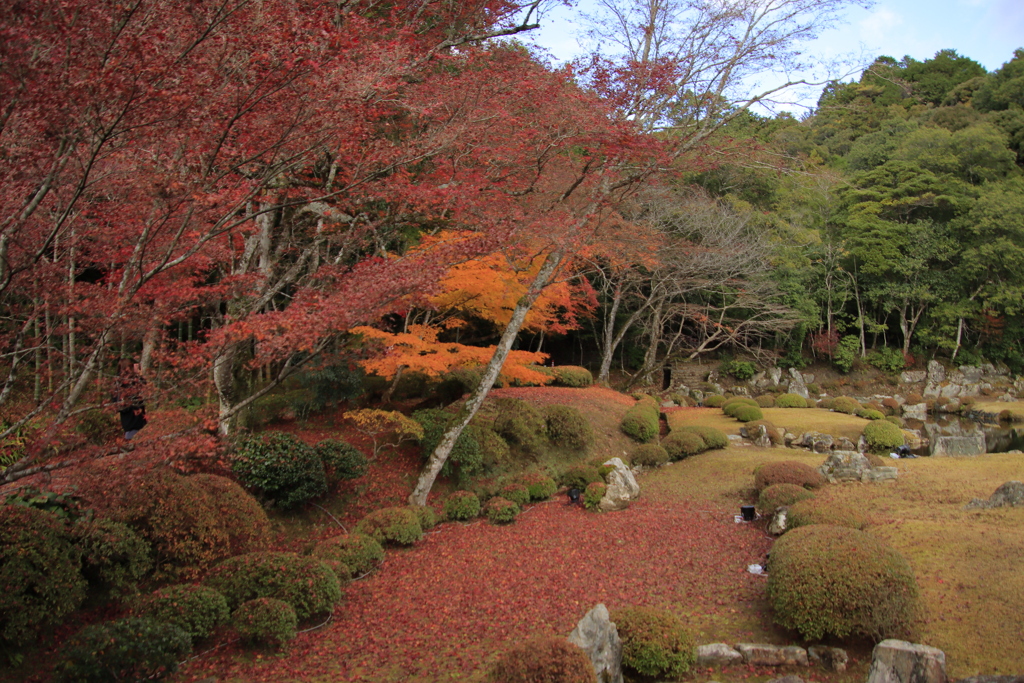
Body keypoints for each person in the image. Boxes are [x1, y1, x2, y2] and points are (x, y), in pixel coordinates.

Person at [112, 358, 148, 440]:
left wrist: (138, 375)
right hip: (129, 423)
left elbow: (144, 387)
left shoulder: (135, 381)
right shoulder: (118, 385)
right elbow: (118, 405)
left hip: (141, 421)